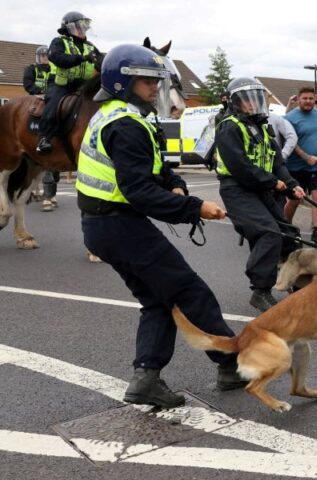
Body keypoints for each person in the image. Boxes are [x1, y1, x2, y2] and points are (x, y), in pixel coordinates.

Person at [77, 44, 247, 408]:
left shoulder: (116, 115)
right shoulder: (126, 125)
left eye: (157, 80)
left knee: (158, 300)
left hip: (103, 226)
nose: (155, 88)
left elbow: (154, 168)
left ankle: (146, 378)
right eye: (146, 81)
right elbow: (139, 191)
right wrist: (195, 207)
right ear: (122, 83)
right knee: (190, 291)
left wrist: (176, 184)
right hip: (120, 225)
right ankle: (233, 364)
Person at [215, 77, 305, 311]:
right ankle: (260, 291)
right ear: (235, 102)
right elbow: (240, 166)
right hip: (237, 189)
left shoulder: (262, 127)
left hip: (261, 188)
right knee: (269, 233)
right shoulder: (229, 126)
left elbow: (277, 162)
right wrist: (272, 182)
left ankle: (300, 285)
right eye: (247, 99)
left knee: (289, 233)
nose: (253, 103)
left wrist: (292, 184)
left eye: (257, 98)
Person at [37, 11, 101, 155]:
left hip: (84, 85)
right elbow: (59, 59)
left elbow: (101, 62)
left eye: (85, 27)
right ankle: (44, 138)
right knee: (53, 103)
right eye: (80, 26)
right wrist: (83, 58)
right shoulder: (58, 42)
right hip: (61, 84)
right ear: (69, 28)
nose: (83, 29)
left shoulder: (90, 46)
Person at [284, 87, 317, 244]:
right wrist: (306, 157)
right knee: (294, 199)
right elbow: (290, 142)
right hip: (296, 166)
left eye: (311, 98)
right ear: (298, 99)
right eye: (305, 98)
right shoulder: (290, 118)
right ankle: (285, 227)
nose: (308, 101)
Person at [23, 46, 59, 211]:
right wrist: (39, 92)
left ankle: (51, 191)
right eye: (42, 56)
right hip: (37, 100)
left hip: (52, 99)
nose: (44, 58)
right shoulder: (31, 69)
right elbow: (28, 85)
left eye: (46, 56)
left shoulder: (55, 69)